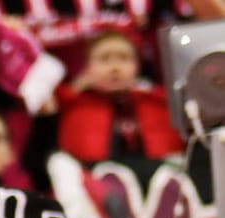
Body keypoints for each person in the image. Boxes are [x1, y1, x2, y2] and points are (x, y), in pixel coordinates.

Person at [55, 30, 184, 164]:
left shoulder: (159, 102)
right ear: (87, 67)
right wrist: (77, 87)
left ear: (138, 65)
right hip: (93, 176)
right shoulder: (72, 102)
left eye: (124, 58)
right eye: (104, 59)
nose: (115, 67)